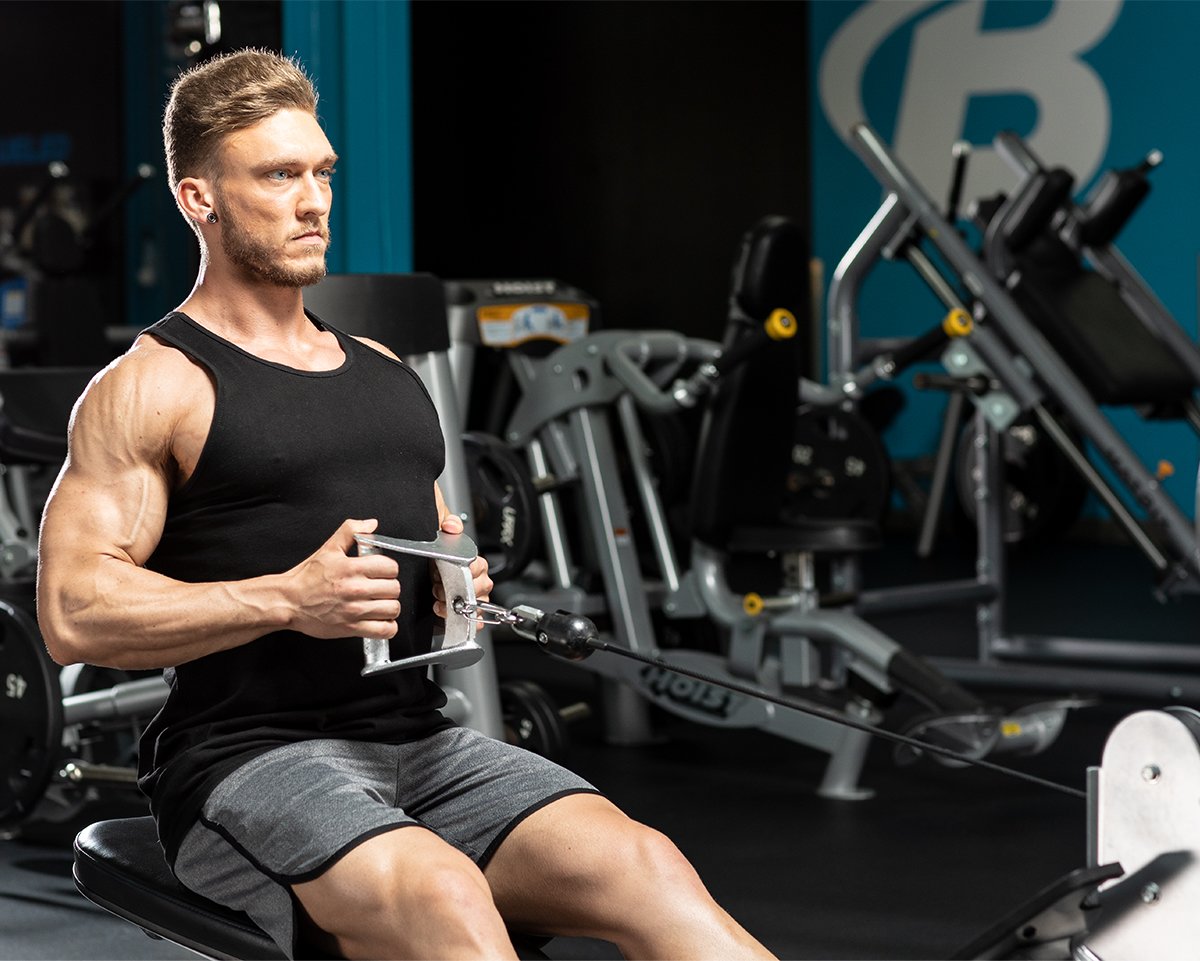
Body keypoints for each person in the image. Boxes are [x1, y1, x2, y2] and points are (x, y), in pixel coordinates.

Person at [36, 48, 775, 960]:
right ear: (201, 199)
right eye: (278, 175)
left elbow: (415, 552)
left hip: (420, 744)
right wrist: (285, 598)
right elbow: (72, 612)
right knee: (444, 894)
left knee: (647, 864)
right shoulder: (154, 385)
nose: (314, 201)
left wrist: (455, 581)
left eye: (322, 173)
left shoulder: (384, 373)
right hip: (246, 760)